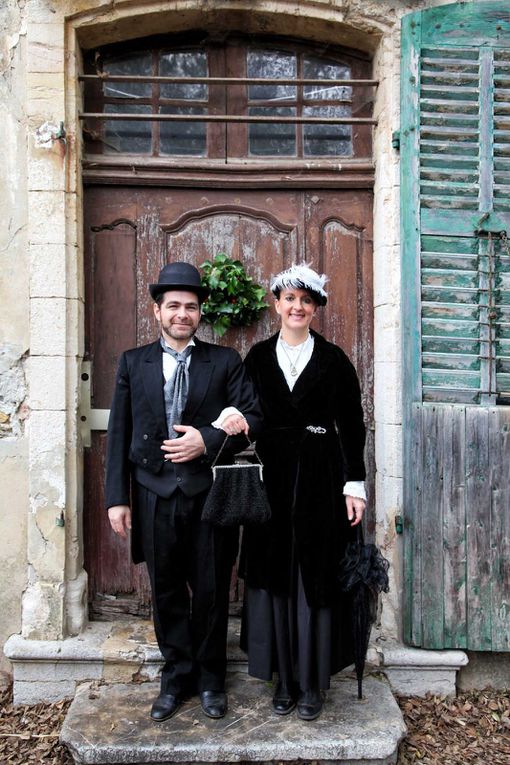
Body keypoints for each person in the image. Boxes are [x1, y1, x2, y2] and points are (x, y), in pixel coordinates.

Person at [105, 261, 262, 722]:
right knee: (167, 592)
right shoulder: (133, 362)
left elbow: (252, 418)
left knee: (213, 590)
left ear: (199, 313)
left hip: (208, 494)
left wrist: (207, 440)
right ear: (157, 311)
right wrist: (117, 497)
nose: (182, 314)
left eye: (190, 307)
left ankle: (212, 679)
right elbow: (119, 433)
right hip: (153, 493)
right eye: (173, 305)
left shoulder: (225, 361)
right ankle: (176, 678)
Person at [240, 263, 367, 721]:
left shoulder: (333, 360)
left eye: (306, 300)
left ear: (315, 309)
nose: (297, 307)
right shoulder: (255, 358)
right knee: (276, 574)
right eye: (289, 299)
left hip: (320, 477)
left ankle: (313, 683)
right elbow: (243, 414)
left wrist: (355, 484)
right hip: (270, 478)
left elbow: (352, 425)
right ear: (276, 304)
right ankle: (284, 679)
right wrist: (230, 423)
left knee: (313, 575)